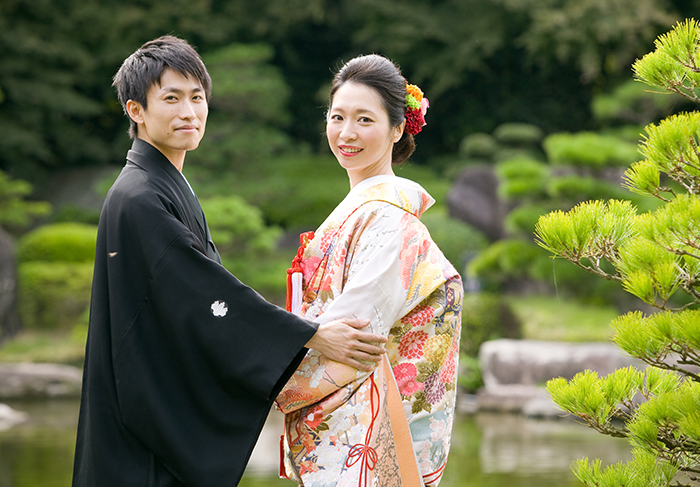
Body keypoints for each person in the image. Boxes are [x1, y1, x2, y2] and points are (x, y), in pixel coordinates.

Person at [71, 36, 387, 487]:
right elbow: (201, 293)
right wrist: (311, 335)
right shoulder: (137, 197)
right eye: (171, 99)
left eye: (197, 97)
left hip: (146, 416)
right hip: (140, 442)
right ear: (135, 110)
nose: (189, 112)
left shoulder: (159, 185)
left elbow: (198, 294)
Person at [275, 55, 463, 487]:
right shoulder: (365, 213)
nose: (347, 133)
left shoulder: (390, 221)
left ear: (398, 129)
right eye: (337, 117)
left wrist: (248, 363)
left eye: (364, 119)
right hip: (352, 427)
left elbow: (350, 336)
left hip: (370, 429)